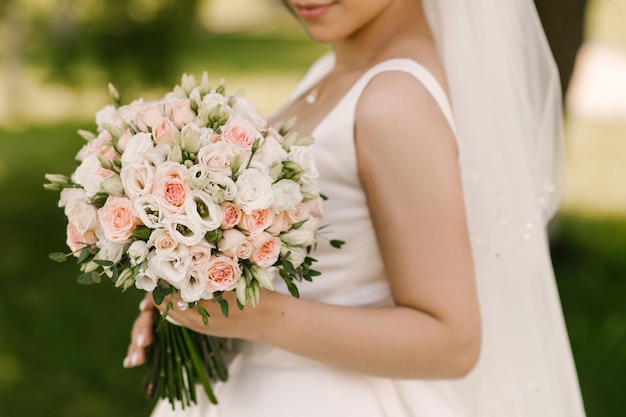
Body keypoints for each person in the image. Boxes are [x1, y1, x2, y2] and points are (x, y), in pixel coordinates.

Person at [125, 0, 587, 416]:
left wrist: (255, 314)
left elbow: (453, 343)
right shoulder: (336, 67)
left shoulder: (394, 100)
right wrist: (193, 291)